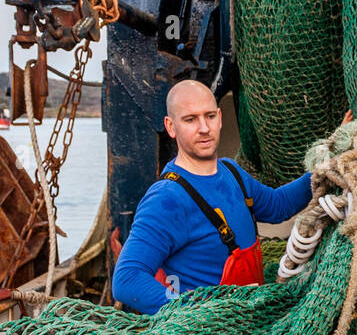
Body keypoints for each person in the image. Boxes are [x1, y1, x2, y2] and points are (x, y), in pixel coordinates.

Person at [112, 79, 312, 314]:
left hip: (251, 321)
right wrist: (189, 312)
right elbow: (127, 278)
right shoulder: (166, 198)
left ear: (220, 118)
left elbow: (279, 206)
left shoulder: (232, 172)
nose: (204, 128)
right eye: (190, 119)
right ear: (171, 127)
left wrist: (323, 171)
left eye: (209, 116)